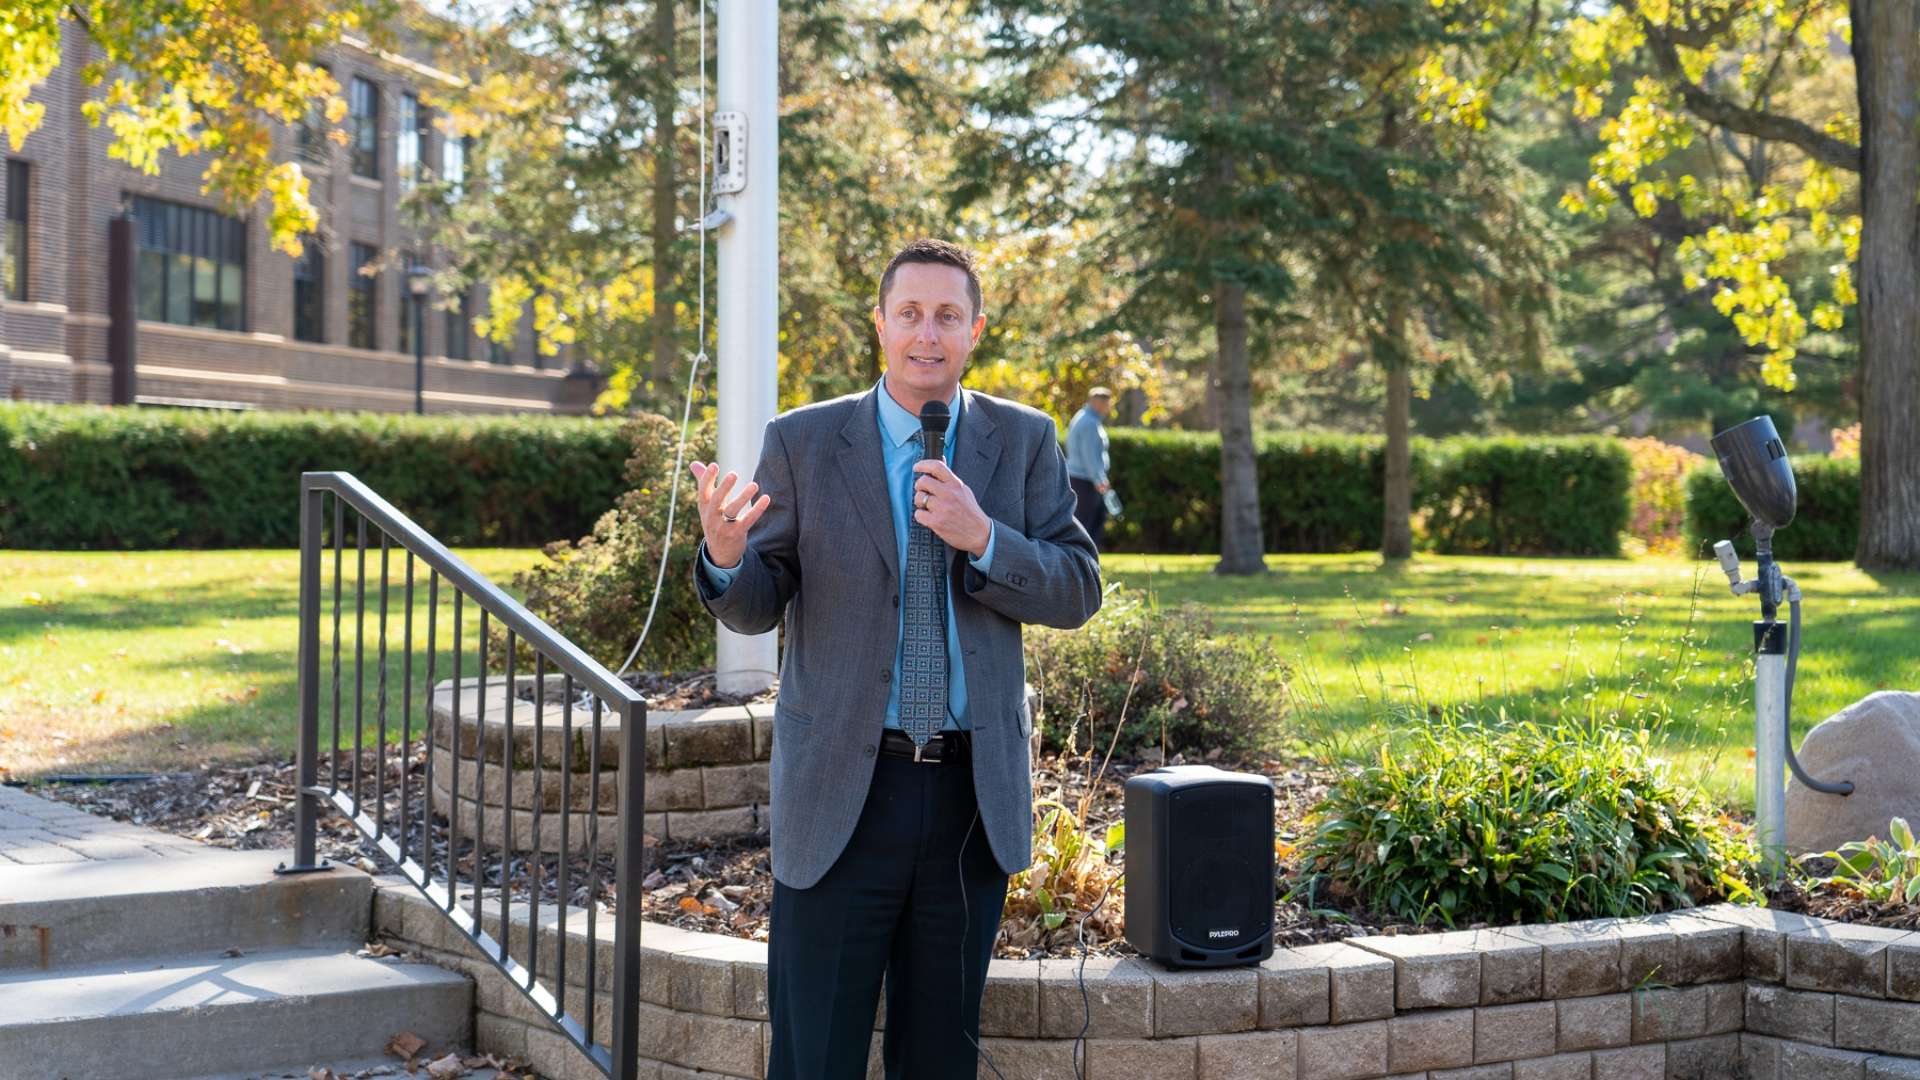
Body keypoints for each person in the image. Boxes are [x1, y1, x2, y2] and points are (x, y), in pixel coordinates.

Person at [686, 238, 1102, 1080]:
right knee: (816, 1056)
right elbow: (764, 598)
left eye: (948, 315)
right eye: (909, 313)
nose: (928, 333)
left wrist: (984, 537)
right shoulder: (804, 441)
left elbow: (1077, 587)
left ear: (975, 329)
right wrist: (728, 557)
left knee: (939, 1057)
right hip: (843, 789)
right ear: (879, 324)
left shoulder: (1023, 442)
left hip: (968, 799)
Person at [1065, 387, 1114, 549]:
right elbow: (1090, 455)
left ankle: (1085, 562)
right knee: (1087, 525)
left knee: (1089, 520)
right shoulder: (1089, 423)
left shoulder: (1083, 418)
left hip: (1082, 479)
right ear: (1099, 403)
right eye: (1107, 404)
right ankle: (1085, 563)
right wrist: (1099, 479)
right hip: (1085, 481)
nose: (1109, 408)